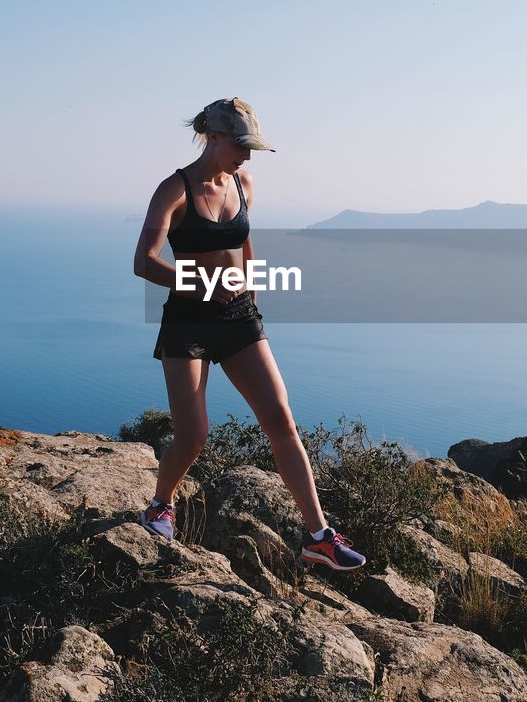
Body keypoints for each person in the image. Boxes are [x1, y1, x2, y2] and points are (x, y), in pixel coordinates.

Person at [132, 97, 366, 572]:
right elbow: (144, 261)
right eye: (240, 145)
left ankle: (318, 537)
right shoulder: (174, 189)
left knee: (282, 421)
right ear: (212, 138)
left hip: (238, 317)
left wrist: (252, 295)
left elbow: (245, 241)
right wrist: (201, 284)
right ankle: (160, 505)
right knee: (193, 435)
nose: (248, 155)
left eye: (252, 146)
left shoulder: (243, 183)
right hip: (188, 320)